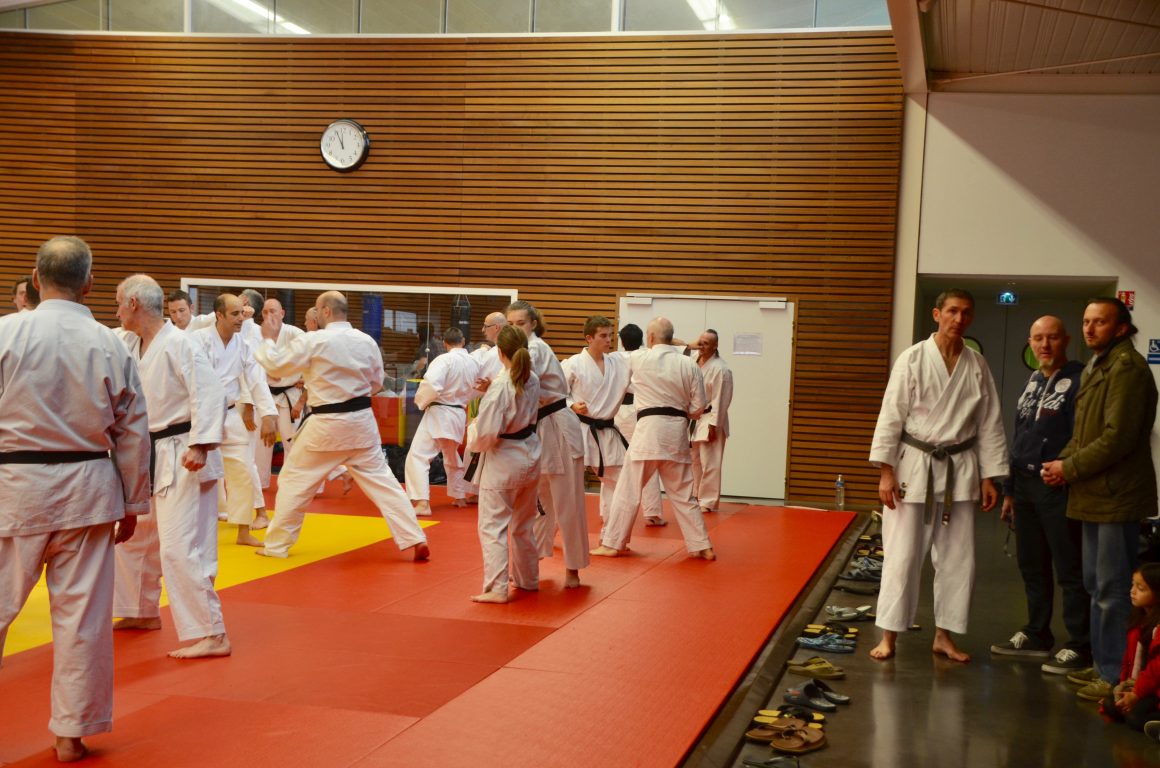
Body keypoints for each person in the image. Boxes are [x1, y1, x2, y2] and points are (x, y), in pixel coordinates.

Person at [0, 236, 151, 762]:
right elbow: (133, 431)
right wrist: (133, 502)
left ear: (35, 279)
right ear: (88, 284)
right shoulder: (111, 344)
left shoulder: (5, 333)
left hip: (14, 489)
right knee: (82, 618)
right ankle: (71, 733)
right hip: (88, 489)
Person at [868, 289, 1007, 663]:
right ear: (937, 314)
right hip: (914, 468)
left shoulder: (977, 365)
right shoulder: (912, 358)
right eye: (952, 311)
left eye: (966, 313)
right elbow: (891, 415)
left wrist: (990, 476)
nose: (959, 319)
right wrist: (885, 472)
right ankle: (889, 635)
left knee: (959, 559)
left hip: (960, 471)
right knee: (902, 555)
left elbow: (989, 422)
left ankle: (944, 636)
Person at [253, 291, 430, 562]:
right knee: (384, 483)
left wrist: (267, 338)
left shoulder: (315, 340)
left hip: (326, 424)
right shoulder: (366, 341)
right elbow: (376, 383)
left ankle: (276, 546)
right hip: (362, 422)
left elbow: (275, 367)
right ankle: (415, 537)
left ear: (326, 311)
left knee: (293, 481)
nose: (316, 314)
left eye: (316, 309)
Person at [1042, 297, 1158, 701]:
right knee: (1095, 585)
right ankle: (1102, 664)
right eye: (1086, 321)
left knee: (1111, 590)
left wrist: (1069, 468)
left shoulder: (1127, 368)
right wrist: (1060, 462)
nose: (1090, 329)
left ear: (1121, 328)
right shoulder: (1098, 365)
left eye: (1100, 322)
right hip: (1093, 493)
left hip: (1116, 495)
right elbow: (1084, 433)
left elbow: (1116, 438)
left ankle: (1113, 675)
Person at [110, 275, 231, 659]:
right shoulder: (128, 342)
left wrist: (201, 444)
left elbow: (210, 393)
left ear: (133, 303)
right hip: (146, 452)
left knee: (180, 546)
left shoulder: (181, 343)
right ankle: (139, 609)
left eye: (118, 303)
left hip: (183, 452)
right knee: (134, 537)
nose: (116, 311)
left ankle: (212, 632)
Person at [989, 316, 1090, 671]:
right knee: (1032, 564)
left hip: (1056, 486)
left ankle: (1080, 644)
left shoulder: (1079, 380)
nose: (1044, 345)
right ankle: (1037, 633)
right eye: (1037, 338)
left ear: (1066, 340)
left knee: (1069, 567)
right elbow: (1019, 437)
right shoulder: (1032, 381)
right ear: (1030, 343)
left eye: (1052, 338)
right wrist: (1009, 491)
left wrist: (1065, 468)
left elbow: (1083, 436)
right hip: (1025, 485)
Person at [592, 316, 716, 561]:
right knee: (684, 494)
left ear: (649, 337)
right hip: (676, 433)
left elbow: (610, 364)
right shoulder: (689, 364)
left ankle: (613, 543)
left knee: (628, 490)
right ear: (671, 337)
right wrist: (684, 411)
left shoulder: (638, 358)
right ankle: (702, 545)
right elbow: (699, 406)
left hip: (648, 432)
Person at [506, 300, 588, 589]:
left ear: (533, 324)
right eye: (510, 324)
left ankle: (573, 568)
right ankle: (532, 561)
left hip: (558, 425)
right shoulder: (515, 351)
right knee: (537, 502)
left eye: (521, 323)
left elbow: (520, 382)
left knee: (567, 502)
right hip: (537, 427)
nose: (516, 328)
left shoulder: (536, 348)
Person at [188, 293, 277, 546]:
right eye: (235, 314)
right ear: (219, 315)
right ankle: (192, 531)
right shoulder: (198, 340)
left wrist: (268, 414)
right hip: (202, 415)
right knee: (197, 476)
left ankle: (243, 531)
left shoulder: (244, 345)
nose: (240, 319)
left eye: (242, 313)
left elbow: (257, 381)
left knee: (243, 473)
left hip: (230, 412)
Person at [465, 325, 541, 603]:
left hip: (503, 462)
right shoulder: (531, 378)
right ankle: (528, 579)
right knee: (523, 525)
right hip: (529, 456)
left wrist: (472, 427)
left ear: (500, 353)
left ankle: (497, 589)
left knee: (492, 526)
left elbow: (485, 436)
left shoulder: (501, 387)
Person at [562, 316, 630, 537]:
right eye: (603, 336)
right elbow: (555, 393)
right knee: (566, 487)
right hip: (579, 429)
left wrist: (680, 346)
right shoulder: (573, 363)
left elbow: (648, 356)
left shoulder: (618, 363)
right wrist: (572, 405)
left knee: (618, 483)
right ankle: (545, 536)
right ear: (589, 338)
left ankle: (611, 535)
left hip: (607, 431)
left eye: (611, 335)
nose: (609, 340)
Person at [404, 327, 480, 514]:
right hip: (458, 413)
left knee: (419, 456)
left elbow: (431, 385)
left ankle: (422, 503)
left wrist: (420, 402)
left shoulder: (444, 360)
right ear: (463, 341)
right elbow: (477, 388)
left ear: (445, 343)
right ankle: (459, 496)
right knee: (451, 454)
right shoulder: (474, 363)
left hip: (440, 412)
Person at [254, 297, 310, 491]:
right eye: (265, 312)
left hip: (289, 394)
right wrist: (267, 371)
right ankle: (260, 483)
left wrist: (301, 385)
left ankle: (291, 484)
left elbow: (309, 360)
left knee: (291, 440)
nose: (269, 315)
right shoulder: (257, 333)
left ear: (282, 313)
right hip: (265, 394)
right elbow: (250, 362)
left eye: (273, 311)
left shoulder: (295, 334)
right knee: (261, 442)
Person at [613, 323, 665, 526]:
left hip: (616, 413)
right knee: (646, 460)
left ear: (621, 341)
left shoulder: (614, 358)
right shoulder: (649, 355)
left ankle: (609, 512)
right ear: (643, 338)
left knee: (615, 464)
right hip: (640, 411)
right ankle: (652, 512)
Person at [1099, 563, 1160, 729]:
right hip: (1143, 686)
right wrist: (1123, 689)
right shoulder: (1139, 620)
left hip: (1154, 689)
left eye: (1140, 588)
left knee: (1135, 718)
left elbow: (1156, 669)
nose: (1132, 591)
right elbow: (1128, 660)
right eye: (1133, 585)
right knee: (1112, 705)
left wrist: (1136, 694)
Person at [690, 329, 733, 515]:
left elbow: (721, 399)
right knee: (694, 460)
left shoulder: (720, 369)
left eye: (706, 343)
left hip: (711, 418)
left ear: (715, 346)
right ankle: (695, 495)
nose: (701, 345)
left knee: (710, 462)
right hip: (695, 418)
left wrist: (715, 424)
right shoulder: (693, 359)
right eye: (700, 341)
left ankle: (707, 501)